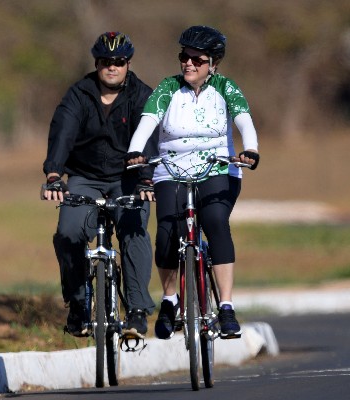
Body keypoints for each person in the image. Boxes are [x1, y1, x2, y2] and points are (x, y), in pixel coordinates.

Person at [126, 25, 260, 340]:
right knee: (167, 235)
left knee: (214, 222)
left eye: (196, 60)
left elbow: (244, 121)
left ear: (212, 63)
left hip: (217, 169)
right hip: (171, 168)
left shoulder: (226, 88)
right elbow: (148, 122)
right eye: (183, 57)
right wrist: (135, 150)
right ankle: (170, 299)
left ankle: (226, 307)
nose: (188, 64)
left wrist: (250, 149)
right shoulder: (167, 89)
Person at [42, 31, 158, 338]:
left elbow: (149, 136)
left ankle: (135, 309)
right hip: (84, 177)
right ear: (97, 63)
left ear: (128, 64)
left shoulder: (141, 94)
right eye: (106, 62)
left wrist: (147, 178)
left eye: (119, 62)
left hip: (129, 178)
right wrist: (54, 174)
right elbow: (62, 133)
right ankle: (78, 305)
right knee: (67, 231)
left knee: (134, 230)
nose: (112, 67)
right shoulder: (79, 94)